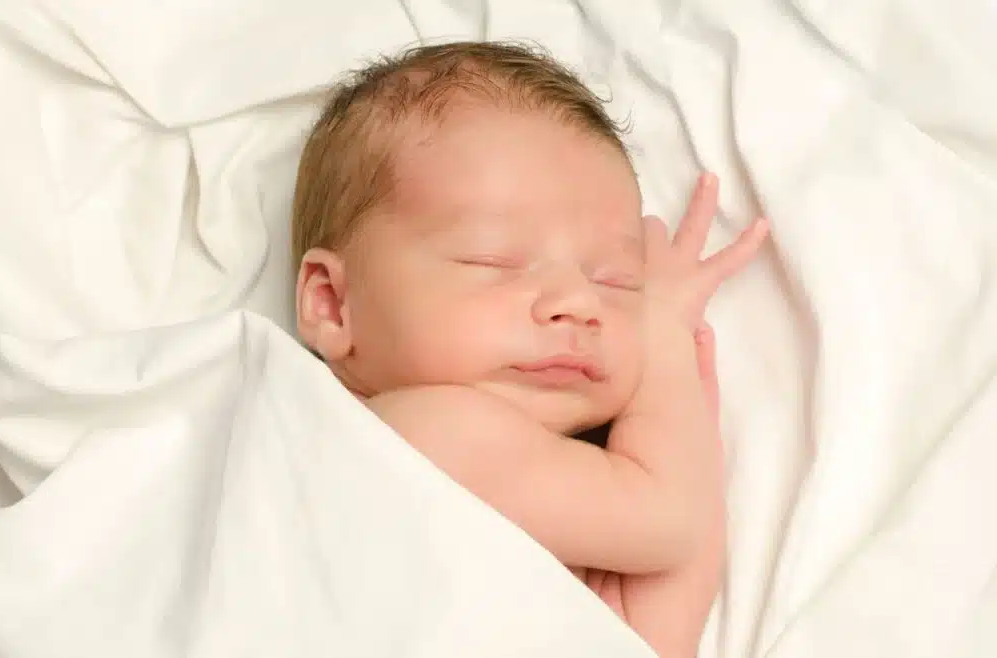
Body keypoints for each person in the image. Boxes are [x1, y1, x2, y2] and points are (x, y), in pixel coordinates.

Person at [290, 40, 768, 657]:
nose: (579, 302)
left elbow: (651, 635)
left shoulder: (501, 510)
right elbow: (673, 517)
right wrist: (662, 333)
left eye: (615, 279)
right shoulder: (423, 429)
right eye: (494, 261)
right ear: (333, 304)